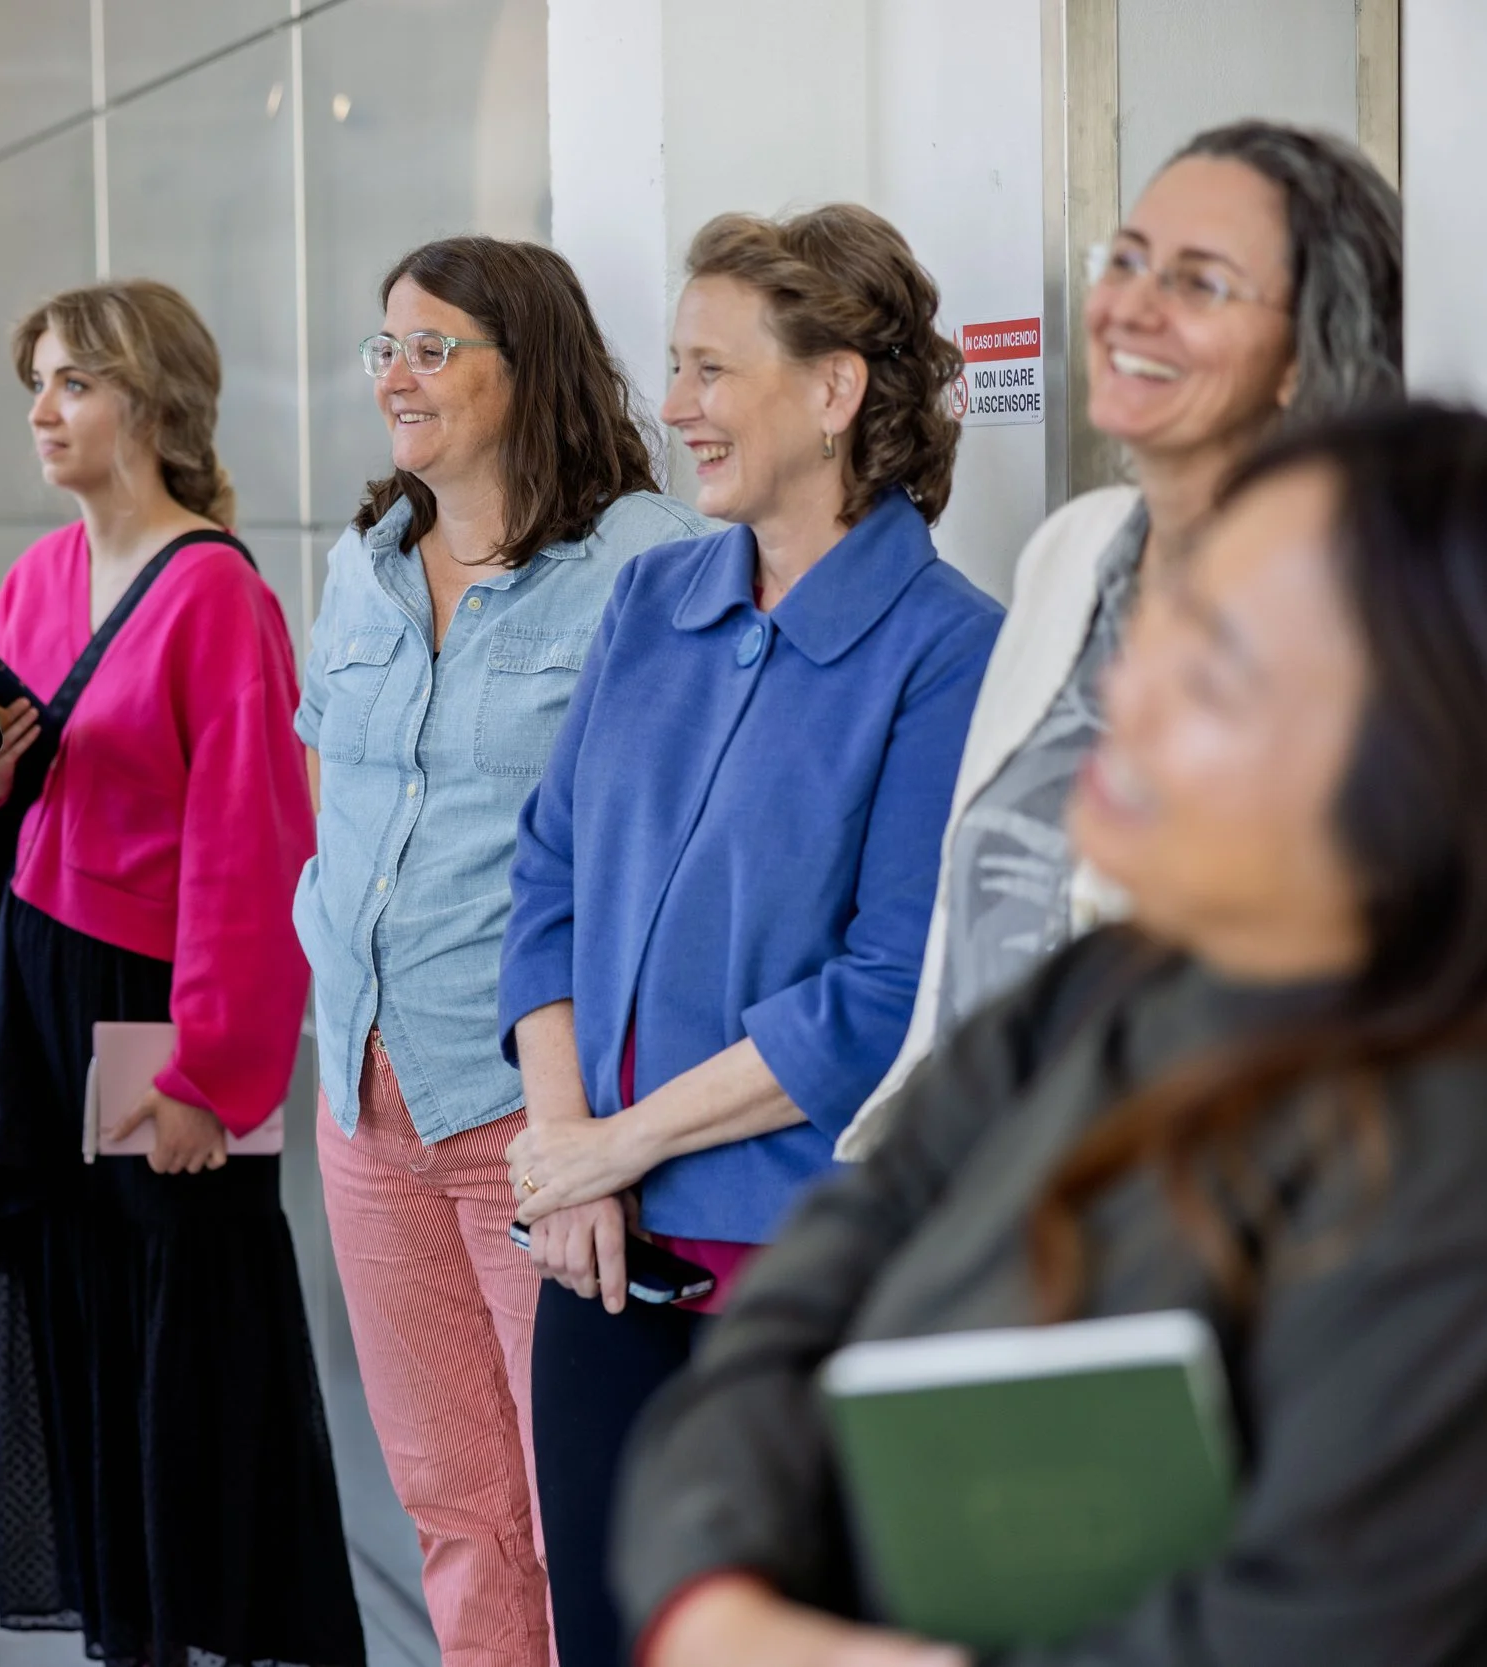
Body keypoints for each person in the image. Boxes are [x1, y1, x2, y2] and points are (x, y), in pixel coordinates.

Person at [618, 402, 1487, 1667]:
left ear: (1417, 765)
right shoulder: (1102, 989)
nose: (1122, 692)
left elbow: (1314, 1622)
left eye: (1214, 674)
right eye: (1163, 618)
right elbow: (800, 1305)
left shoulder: (1472, 1183)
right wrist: (716, 1589)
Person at [498, 204, 1003, 1667]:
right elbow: (548, 874)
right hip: (597, 1254)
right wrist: (566, 1144)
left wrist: (617, 1141)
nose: (675, 406)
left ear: (835, 389)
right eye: (676, 366)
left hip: (792, 1280)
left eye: (711, 369)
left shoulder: (946, 646)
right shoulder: (653, 596)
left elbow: (884, 991)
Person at [296, 234, 708, 1667]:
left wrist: (595, 1121)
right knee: (451, 1503)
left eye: (431, 347)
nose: (394, 377)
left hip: (533, 1108)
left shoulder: (645, 560)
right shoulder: (361, 565)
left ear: (526, 367)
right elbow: (330, 779)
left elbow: (677, 846)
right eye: (384, 348)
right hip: (363, 1097)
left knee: (575, 1502)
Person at [842, 121, 1402, 1158]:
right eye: (1128, 261)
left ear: (1303, 352)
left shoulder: (1370, 613)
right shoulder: (1072, 553)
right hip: (977, 1189)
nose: (1131, 306)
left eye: (1200, 282)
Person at [0, 279, 365, 1667]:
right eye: (38, 379)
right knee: (77, 1314)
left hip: (156, 1003)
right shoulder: (33, 578)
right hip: (39, 989)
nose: (42, 409)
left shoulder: (216, 594)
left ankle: (205, 1633)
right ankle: (123, 1631)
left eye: (73, 381)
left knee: (186, 1329)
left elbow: (253, 849)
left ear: (150, 402)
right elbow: (10, 811)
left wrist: (213, 1069)